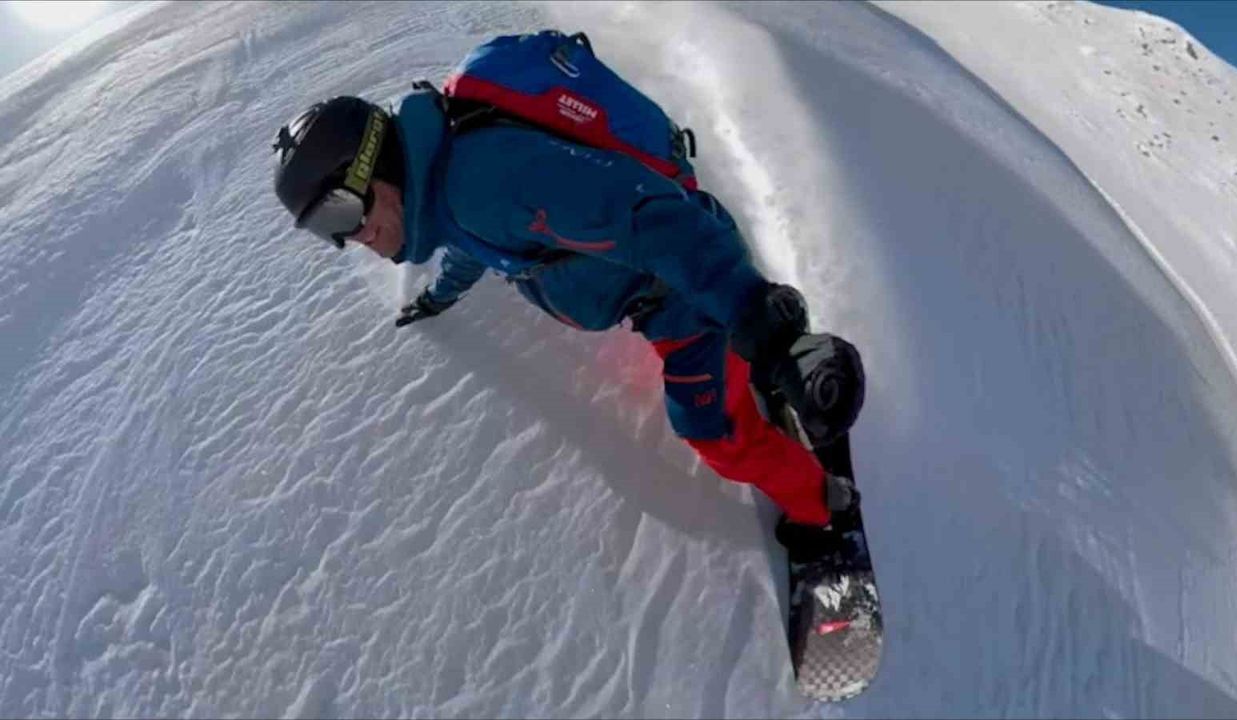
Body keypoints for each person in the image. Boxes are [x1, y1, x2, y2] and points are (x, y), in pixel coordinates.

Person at [270, 84, 866, 557]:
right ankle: (756, 360)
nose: (352, 239)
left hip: (683, 294)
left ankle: (822, 507)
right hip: (667, 288)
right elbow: (474, 246)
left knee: (712, 430)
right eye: (327, 232)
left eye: (340, 213)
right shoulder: (448, 186)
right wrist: (440, 297)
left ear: (372, 165)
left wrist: (767, 329)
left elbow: (648, 219)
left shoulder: (485, 183)